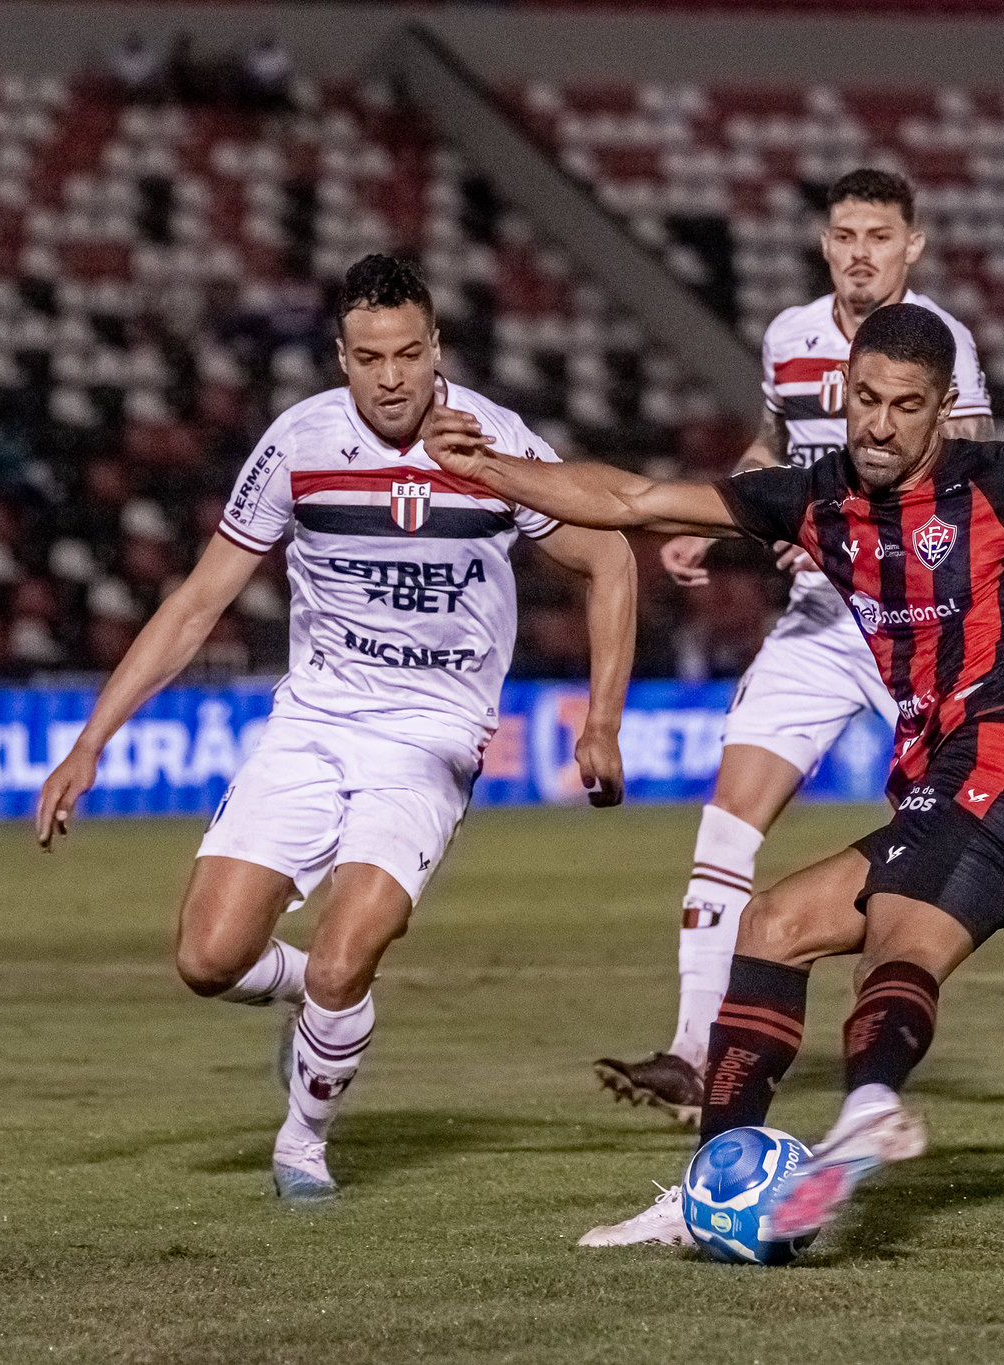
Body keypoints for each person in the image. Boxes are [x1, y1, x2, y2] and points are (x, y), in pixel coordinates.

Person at [421, 301, 1004, 1246]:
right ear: (843, 392)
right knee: (775, 923)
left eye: (904, 405)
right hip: (946, 780)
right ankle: (711, 1190)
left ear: (943, 407)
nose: (878, 423)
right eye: (865, 398)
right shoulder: (817, 493)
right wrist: (496, 470)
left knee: (899, 937)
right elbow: (630, 500)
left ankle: (871, 1104)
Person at [595, 168, 1004, 1129]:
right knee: (729, 817)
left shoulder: (938, 341)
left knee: (985, 832)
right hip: (814, 616)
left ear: (911, 245)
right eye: (844, 234)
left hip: (920, 618)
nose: (860, 252)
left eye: (879, 234)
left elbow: (969, 471)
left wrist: (859, 528)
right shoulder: (789, 338)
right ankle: (693, 1048)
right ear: (824, 243)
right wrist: (728, 522)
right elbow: (773, 447)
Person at [34, 255, 637, 1201]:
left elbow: (609, 558)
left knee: (353, 946)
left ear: (437, 347)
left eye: (409, 353)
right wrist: (90, 740)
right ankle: (320, 1001)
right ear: (341, 358)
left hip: (432, 734)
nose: (392, 376)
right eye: (369, 356)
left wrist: (601, 719)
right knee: (207, 959)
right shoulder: (298, 444)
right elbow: (197, 604)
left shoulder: (492, 443)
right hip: (314, 722)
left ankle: (303, 1143)